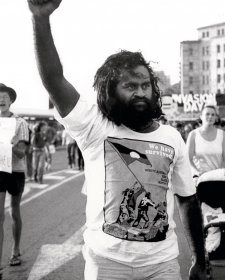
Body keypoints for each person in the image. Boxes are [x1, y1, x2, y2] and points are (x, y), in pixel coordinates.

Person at [27, 1, 207, 279]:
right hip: (106, 264)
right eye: (130, 86)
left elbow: (187, 199)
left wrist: (199, 258)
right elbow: (54, 80)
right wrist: (40, 19)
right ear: (110, 92)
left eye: (145, 85)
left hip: (162, 266)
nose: (140, 93)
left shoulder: (172, 137)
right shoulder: (94, 126)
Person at [0, 84, 29, 279]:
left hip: (16, 171)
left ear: (11, 100)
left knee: (14, 212)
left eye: (4, 97)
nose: (1, 100)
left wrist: (10, 143)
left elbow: (22, 152)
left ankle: (16, 249)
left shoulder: (20, 123)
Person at [186, 104, 225, 178]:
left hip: (218, 178)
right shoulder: (193, 134)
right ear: (201, 116)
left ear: (216, 118)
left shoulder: (222, 134)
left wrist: (219, 173)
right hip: (199, 179)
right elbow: (188, 159)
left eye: (213, 115)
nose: (210, 117)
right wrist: (197, 173)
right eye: (207, 114)